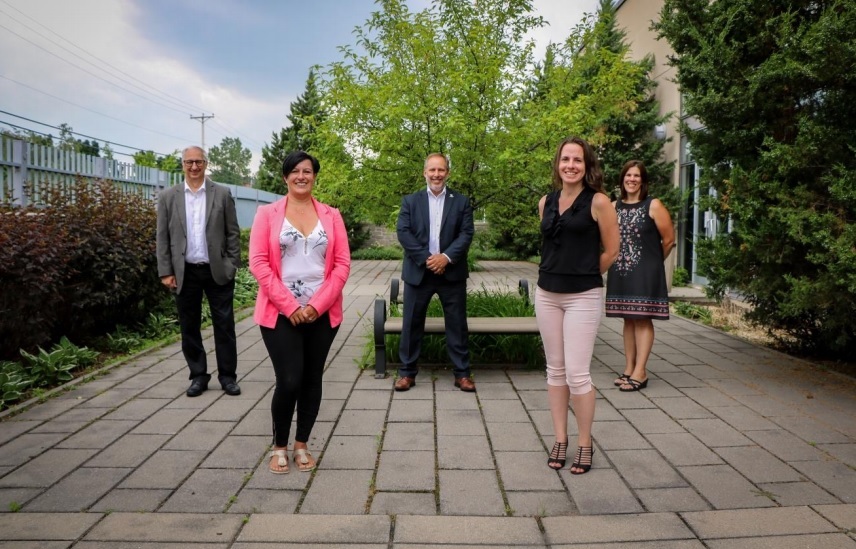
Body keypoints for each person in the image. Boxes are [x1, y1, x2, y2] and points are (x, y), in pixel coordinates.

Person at [249, 150, 350, 474]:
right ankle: (279, 445)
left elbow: (342, 264)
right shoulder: (267, 214)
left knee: (311, 379)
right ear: (285, 177)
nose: (301, 176)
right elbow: (259, 263)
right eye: (295, 171)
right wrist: (291, 306)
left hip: (322, 313)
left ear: (315, 176)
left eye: (307, 171)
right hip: (279, 313)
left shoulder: (332, 216)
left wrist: (316, 306)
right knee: (289, 379)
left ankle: (302, 444)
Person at [536, 137, 619, 474]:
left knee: (577, 373)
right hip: (546, 294)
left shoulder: (599, 202)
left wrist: (584, 274)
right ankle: (560, 438)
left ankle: (584, 442)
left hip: (583, 296)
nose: (571, 165)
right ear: (558, 164)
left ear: (587, 166)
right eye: (565, 159)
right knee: (555, 370)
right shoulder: (546, 202)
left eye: (578, 160)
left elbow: (611, 251)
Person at [157, 145, 242, 398]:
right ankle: (198, 376)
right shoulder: (169, 197)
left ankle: (228, 377)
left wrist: (231, 264)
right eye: (189, 162)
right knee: (189, 326)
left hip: (217, 271)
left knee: (224, 326)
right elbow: (162, 237)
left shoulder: (222, 194)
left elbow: (233, 233)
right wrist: (166, 271)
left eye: (199, 162)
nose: (194, 167)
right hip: (185, 272)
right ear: (182, 165)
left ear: (206, 164)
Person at [394, 153, 475, 392]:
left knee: (457, 324)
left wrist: (446, 258)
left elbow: (466, 234)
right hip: (419, 271)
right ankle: (407, 373)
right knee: (411, 324)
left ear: (447, 172)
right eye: (432, 170)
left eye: (441, 170)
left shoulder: (461, 201)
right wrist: (427, 259)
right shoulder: (410, 201)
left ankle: (462, 374)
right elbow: (404, 232)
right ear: (425, 173)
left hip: (451, 272)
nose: (436, 175)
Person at [606, 160, 675, 392]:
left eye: (636, 176)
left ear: (643, 181)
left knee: (643, 318)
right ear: (622, 179)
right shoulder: (613, 206)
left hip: (646, 272)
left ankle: (641, 372)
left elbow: (669, 240)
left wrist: (653, 262)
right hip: (622, 270)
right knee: (628, 318)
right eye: (628, 175)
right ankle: (628, 369)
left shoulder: (652, 205)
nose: (632, 179)